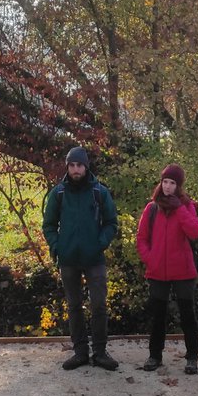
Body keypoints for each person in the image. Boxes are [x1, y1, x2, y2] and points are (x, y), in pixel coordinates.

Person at [42, 146, 120, 371]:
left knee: (99, 305)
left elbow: (111, 223)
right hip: (68, 259)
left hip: (94, 258)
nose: (76, 169)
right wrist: (57, 247)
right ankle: (80, 352)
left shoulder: (99, 192)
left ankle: (100, 352)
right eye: (72, 165)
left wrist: (100, 243)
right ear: (67, 167)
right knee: (74, 306)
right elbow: (49, 225)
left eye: (79, 165)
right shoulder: (58, 193)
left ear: (86, 167)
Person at [137, 164, 198, 374]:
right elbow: (141, 238)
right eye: (165, 181)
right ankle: (155, 355)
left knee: (187, 314)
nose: (167, 186)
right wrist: (150, 259)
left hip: (183, 270)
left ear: (178, 186)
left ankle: (192, 357)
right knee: (158, 315)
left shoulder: (187, 206)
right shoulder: (152, 208)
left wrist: (180, 209)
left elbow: (194, 232)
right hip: (157, 270)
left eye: (172, 183)